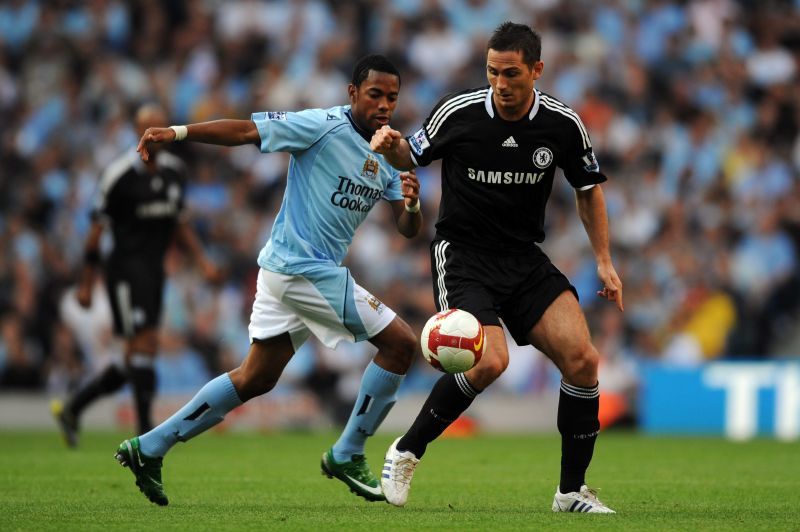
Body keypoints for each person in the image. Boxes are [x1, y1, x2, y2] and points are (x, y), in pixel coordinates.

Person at [114, 54, 423, 506]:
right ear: (353, 93)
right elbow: (244, 131)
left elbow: (407, 227)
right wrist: (178, 133)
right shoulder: (321, 126)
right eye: (374, 94)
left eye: (391, 97)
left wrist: (412, 205)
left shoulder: (391, 150)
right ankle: (348, 451)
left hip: (293, 272)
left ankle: (149, 447)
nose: (383, 105)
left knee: (256, 377)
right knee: (401, 345)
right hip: (301, 268)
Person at [371, 22, 623, 513]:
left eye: (511, 73)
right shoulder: (459, 113)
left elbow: (588, 188)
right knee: (490, 360)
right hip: (464, 255)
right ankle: (406, 450)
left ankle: (571, 492)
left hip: (524, 258)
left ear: (537, 70)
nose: (501, 84)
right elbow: (412, 153)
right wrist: (391, 145)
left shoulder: (562, 124)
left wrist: (604, 260)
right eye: (492, 72)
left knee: (584, 361)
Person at [52, 104, 220, 447]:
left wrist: (202, 260)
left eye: (160, 127)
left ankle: (73, 407)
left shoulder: (176, 172)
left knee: (135, 356)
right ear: (136, 131)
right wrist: (86, 284)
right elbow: (97, 230)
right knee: (144, 345)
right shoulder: (118, 175)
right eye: (148, 128)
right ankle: (145, 432)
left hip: (154, 270)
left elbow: (180, 220)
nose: (155, 135)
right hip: (125, 270)